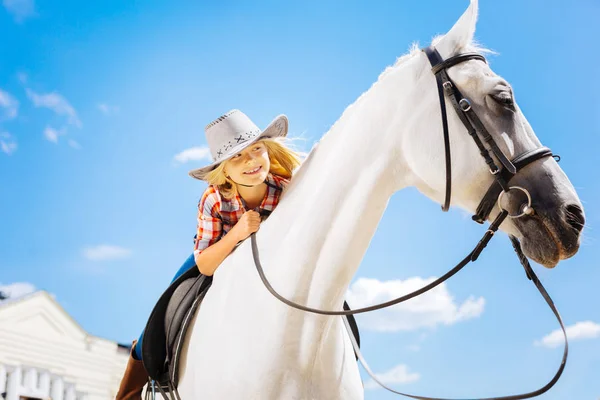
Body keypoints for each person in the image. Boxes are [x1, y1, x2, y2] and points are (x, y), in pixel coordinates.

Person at [114, 109, 303, 399]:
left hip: (272, 259)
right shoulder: (214, 198)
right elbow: (205, 264)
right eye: (237, 157)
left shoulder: (287, 189)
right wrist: (239, 232)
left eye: (257, 150)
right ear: (224, 170)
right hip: (218, 251)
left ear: (268, 151)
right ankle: (129, 390)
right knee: (164, 307)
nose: (251, 161)